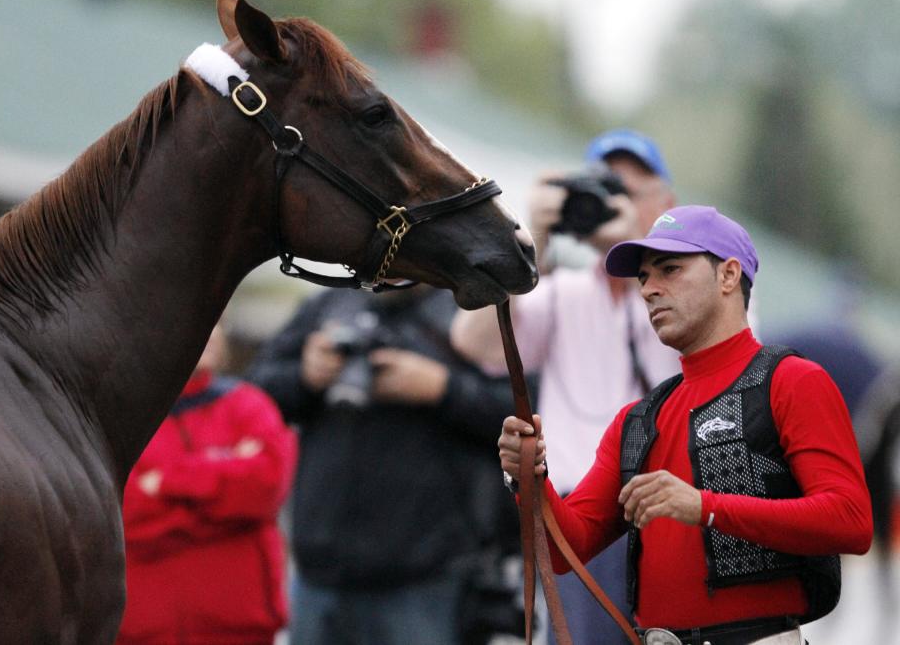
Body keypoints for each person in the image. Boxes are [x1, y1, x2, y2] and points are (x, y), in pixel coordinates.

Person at [499, 205, 873, 643]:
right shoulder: (638, 419)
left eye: (669, 269)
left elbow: (851, 521)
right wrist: (530, 475)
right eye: (642, 277)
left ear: (729, 276)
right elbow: (568, 549)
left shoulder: (792, 380)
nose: (648, 290)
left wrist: (705, 507)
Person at [451, 129, 683, 643]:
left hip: (673, 511)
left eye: (628, 192)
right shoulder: (565, 291)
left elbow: (730, 343)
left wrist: (637, 254)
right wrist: (535, 244)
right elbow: (472, 343)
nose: (611, 205)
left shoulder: (695, 285)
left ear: (667, 204)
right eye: (601, 192)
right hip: (585, 515)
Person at [248, 284, 523, 645]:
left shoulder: (469, 315)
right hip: (320, 574)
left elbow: (523, 415)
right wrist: (305, 376)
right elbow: (252, 397)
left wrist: (443, 389)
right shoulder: (331, 305)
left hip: (424, 577)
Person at [117, 325, 298, 645]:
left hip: (238, 628)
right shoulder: (125, 415)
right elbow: (123, 515)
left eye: (218, 322)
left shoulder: (249, 404)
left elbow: (264, 489)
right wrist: (223, 494)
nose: (211, 331)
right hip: (146, 631)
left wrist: (167, 482)